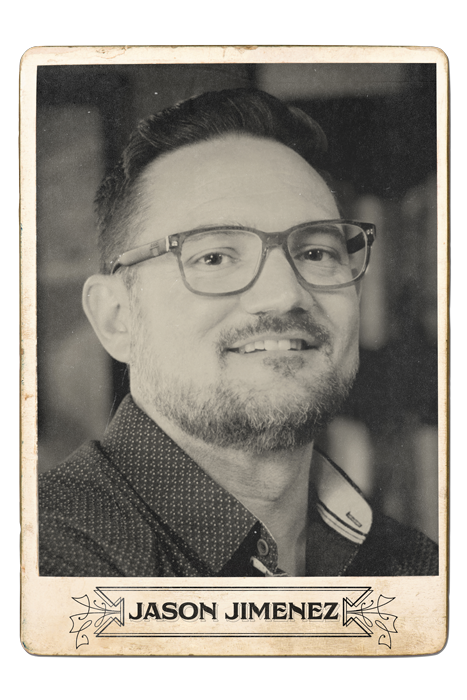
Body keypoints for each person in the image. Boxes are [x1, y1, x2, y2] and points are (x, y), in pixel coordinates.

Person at [38, 88, 438, 577]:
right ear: (116, 318)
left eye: (316, 253)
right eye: (214, 257)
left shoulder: (418, 568)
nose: (285, 294)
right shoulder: (42, 566)